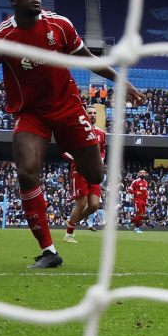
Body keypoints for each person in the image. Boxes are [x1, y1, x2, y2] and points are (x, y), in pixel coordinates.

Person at [0, 0, 145, 268]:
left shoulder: (60, 25)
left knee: (96, 175)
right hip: (30, 113)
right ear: (13, 0)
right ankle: (49, 251)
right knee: (26, 173)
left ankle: (72, 148)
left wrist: (122, 82)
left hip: (68, 107)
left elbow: (87, 59)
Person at [63, 104, 105, 243]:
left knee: (94, 205)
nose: (92, 115)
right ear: (84, 115)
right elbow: (65, 151)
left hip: (93, 172)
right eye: (89, 113)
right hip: (79, 171)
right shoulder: (76, 132)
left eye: (94, 113)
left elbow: (102, 151)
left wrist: (101, 162)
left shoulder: (100, 134)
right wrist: (80, 160)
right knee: (81, 203)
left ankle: (72, 222)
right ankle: (69, 234)